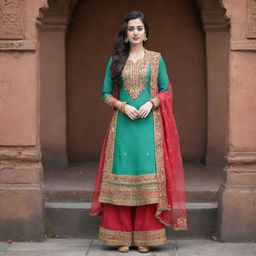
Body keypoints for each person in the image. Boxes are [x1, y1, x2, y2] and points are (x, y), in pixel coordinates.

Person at [90, 10, 188, 253]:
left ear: (146, 33)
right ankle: (120, 235)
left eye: (139, 28)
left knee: (147, 177)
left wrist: (150, 103)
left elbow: (167, 90)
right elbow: (105, 94)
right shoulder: (115, 61)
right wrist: (122, 106)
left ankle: (146, 236)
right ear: (125, 34)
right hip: (122, 127)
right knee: (122, 174)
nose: (135, 32)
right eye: (131, 28)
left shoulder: (156, 59)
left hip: (148, 127)